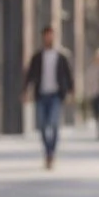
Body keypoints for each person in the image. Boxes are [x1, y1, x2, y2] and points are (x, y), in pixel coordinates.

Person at [23, 25, 73, 169]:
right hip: (41, 94)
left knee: (54, 124)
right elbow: (30, 75)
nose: (49, 38)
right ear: (43, 37)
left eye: (51, 35)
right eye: (47, 35)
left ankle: (51, 152)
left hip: (56, 95)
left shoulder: (61, 56)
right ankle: (47, 151)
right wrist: (26, 91)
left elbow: (68, 75)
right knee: (43, 126)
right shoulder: (37, 57)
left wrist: (70, 92)